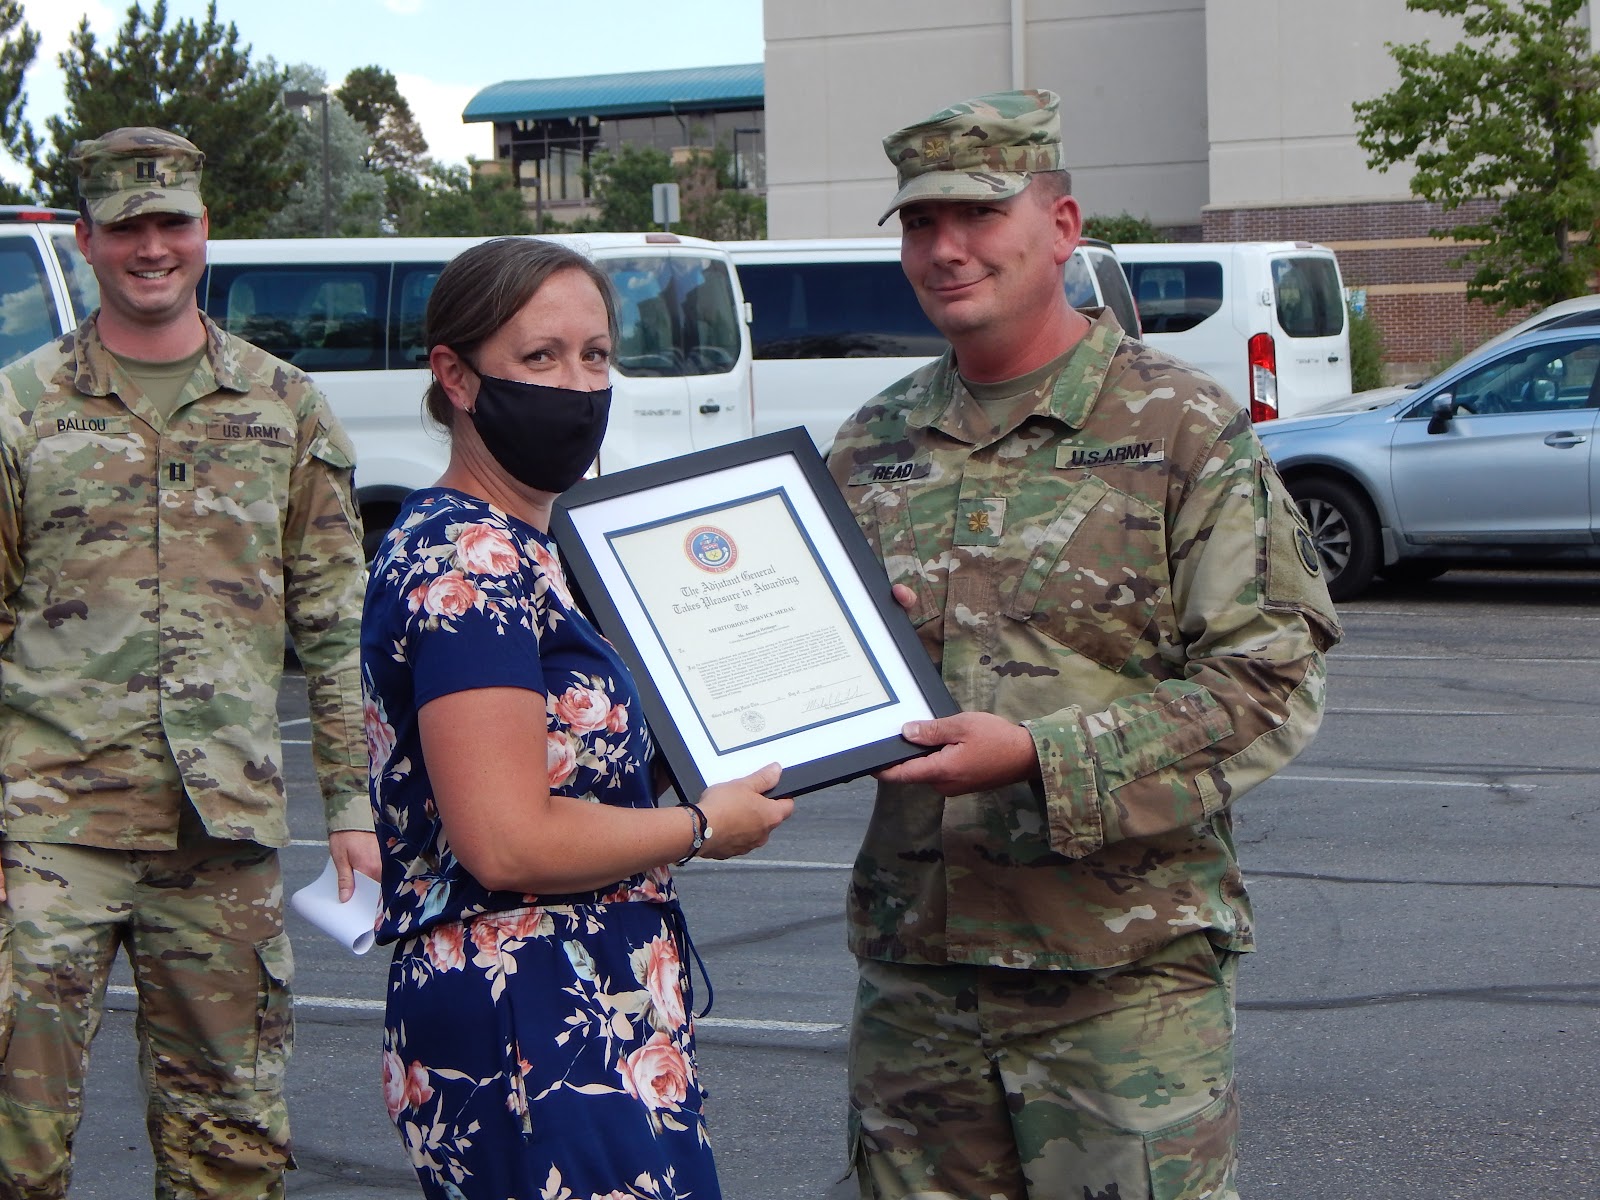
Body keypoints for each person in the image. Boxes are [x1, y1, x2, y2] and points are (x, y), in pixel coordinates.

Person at [824, 90, 1343, 1200]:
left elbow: (1269, 680)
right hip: (918, 975)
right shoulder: (871, 446)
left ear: (1061, 227)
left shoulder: (1180, 430)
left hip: (1120, 981)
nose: (946, 247)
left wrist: (1041, 758)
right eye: (920, 223)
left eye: (977, 212)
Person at [361, 236, 795, 1200]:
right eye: (540, 357)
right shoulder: (467, 558)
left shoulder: (541, 546)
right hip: (529, 1013)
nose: (577, 385)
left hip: (590, 995)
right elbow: (507, 841)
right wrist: (703, 827)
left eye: (595, 356)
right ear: (456, 377)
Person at [0, 127, 378, 1198]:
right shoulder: (22, 409)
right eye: (128, 228)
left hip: (223, 835)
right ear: (86, 242)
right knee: (12, 1146)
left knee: (231, 1149)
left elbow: (334, 625)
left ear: (205, 231)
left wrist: (351, 803)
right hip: (46, 833)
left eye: (172, 223)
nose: (152, 248)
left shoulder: (282, 406)